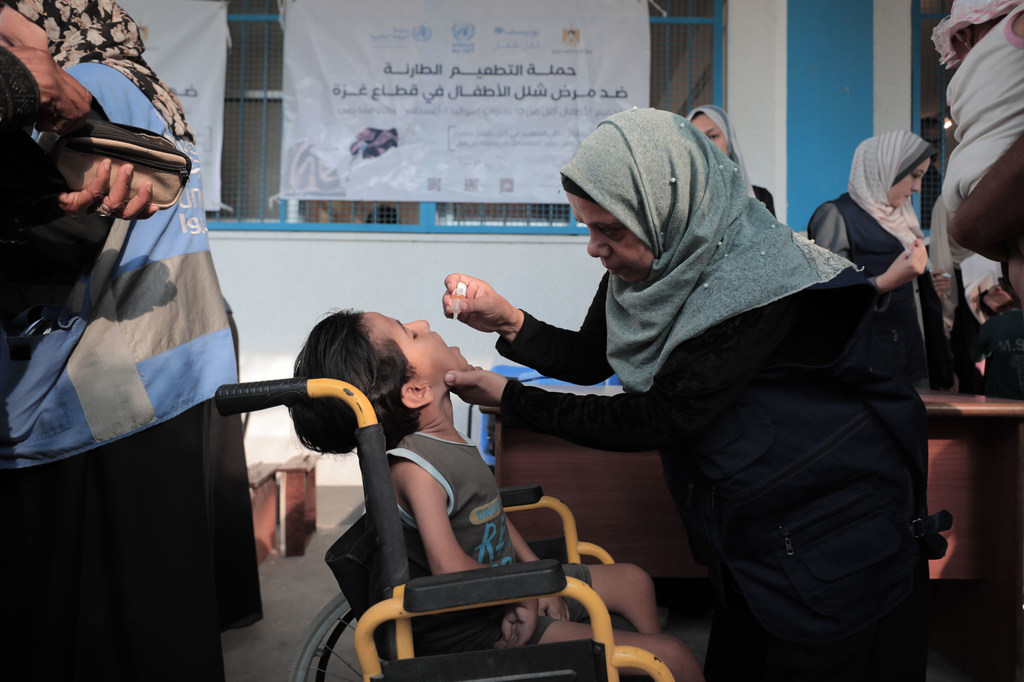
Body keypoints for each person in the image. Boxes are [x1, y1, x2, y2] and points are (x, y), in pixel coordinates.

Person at [440, 108, 950, 681]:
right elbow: (591, 357)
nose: (593, 248)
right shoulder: (660, 268)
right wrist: (507, 320)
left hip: (831, 537)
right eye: (587, 227)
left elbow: (659, 417)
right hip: (760, 538)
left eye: (609, 230)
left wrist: (512, 398)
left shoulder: (756, 281)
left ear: (667, 210)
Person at [0, 2, 260, 679]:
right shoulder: (149, 92)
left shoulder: (84, 85)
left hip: (100, 380)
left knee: (89, 609)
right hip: (182, 364)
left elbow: (54, 233)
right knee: (162, 595)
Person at [289, 309, 704, 680]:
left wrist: (534, 570)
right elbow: (449, 568)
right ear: (416, 391)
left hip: (509, 588)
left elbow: (492, 514)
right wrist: (525, 591)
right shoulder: (415, 467)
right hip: (485, 628)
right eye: (409, 334)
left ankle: (637, 669)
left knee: (634, 581)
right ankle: (649, 664)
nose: (424, 324)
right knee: (677, 658)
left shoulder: (446, 441)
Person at [807, 131, 955, 390]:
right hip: (874, 370)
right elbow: (828, 299)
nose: (918, 188)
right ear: (885, 168)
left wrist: (921, 285)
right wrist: (886, 281)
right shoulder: (837, 216)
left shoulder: (904, 221)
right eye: (915, 176)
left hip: (915, 361)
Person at [931, 0, 1024, 297]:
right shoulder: (1014, 28)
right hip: (1001, 177)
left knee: (1016, 257)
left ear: (962, 37)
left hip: (968, 188)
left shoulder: (959, 84)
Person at [686, 104, 776, 216]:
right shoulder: (680, 202)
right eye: (697, 138)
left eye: (713, 136)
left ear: (729, 142)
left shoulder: (760, 199)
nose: (706, 144)